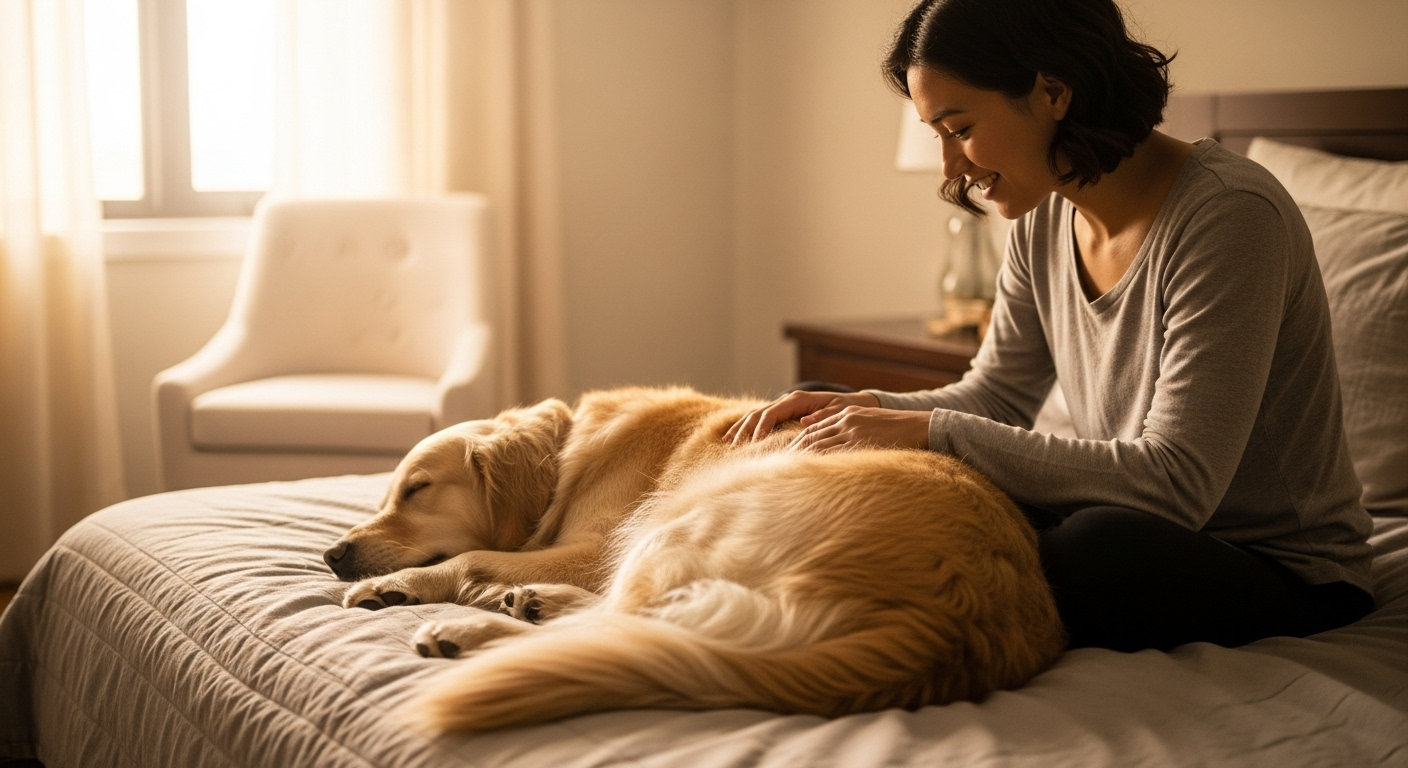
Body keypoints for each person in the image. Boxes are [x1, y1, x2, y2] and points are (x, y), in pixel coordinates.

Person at [725, 0, 1374, 653]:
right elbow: (995, 395)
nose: (952, 168)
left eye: (960, 128)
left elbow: (1179, 485)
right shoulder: (1044, 215)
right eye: (938, 136)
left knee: (1093, 549)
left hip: (1279, 568)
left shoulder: (1230, 215)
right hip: (1121, 511)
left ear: (1053, 92)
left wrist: (926, 430)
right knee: (819, 419)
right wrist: (864, 409)